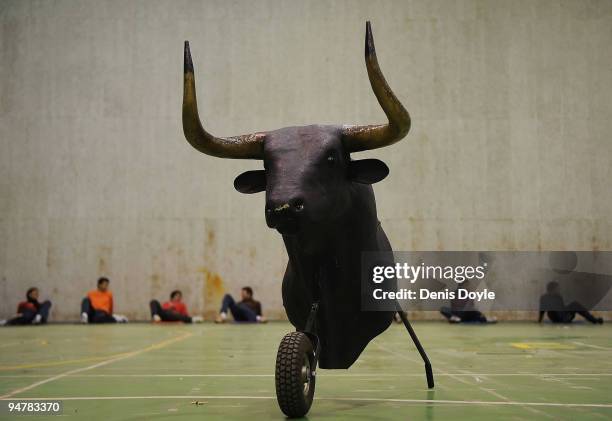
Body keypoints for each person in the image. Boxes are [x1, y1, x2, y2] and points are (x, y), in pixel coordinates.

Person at [539, 281, 603, 324]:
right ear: (553, 289)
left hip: (563, 316)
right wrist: (540, 320)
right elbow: (542, 310)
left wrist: (569, 313)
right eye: (557, 288)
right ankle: (564, 319)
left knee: (575, 304)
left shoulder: (558, 297)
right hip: (555, 318)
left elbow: (562, 307)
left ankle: (593, 320)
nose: (559, 289)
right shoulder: (544, 298)